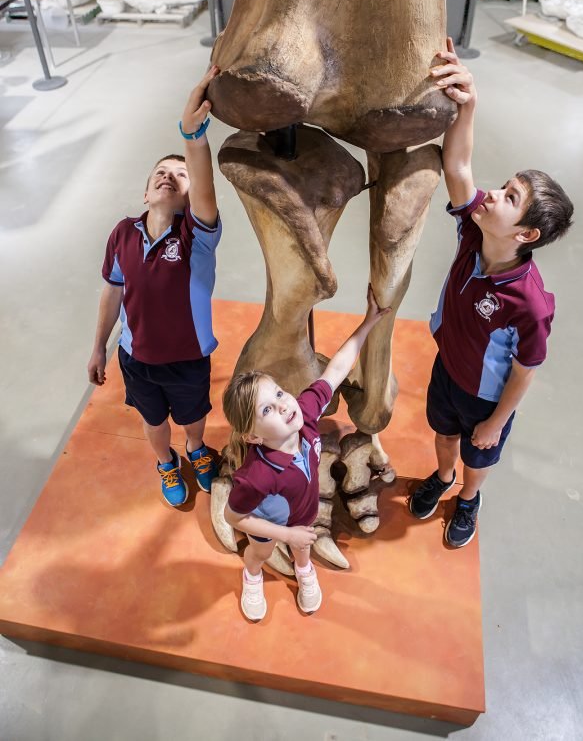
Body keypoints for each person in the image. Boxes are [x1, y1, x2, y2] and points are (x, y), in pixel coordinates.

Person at [408, 38, 574, 548]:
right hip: (447, 369)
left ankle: (469, 498)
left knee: (478, 453)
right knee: (443, 435)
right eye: (503, 185)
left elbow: (526, 370)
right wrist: (469, 102)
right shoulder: (477, 230)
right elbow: (457, 167)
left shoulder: (528, 301)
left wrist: (497, 422)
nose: (492, 195)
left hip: (486, 398)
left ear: (526, 235)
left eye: (509, 197)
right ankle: (442, 477)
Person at [87, 66, 223, 507]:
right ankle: (166, 461)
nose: (168, 176)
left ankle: (196, 451)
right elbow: (112, 291)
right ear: (146, 193)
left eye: (179, 176)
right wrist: (98, 347)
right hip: (136, 359)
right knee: (153, 419)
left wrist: (193, 136)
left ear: (189, 196)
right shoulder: (123, 233)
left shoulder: (197, 237)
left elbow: (203, 183)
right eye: (159, 173)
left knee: (194, 415)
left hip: (188, 360)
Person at [222, 287, 390, 621]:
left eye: (280, 393)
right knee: (260, 552)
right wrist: (283, 534)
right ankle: (252, 576)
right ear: (252, 435)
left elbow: (337, 369)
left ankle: (304, 570)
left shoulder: (305, 411)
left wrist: (368, 323)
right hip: (269, 524)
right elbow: (234, 517)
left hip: (304, 514)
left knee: (303, 546)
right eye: (268, 408)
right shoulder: (256, 476)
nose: (284, 404)